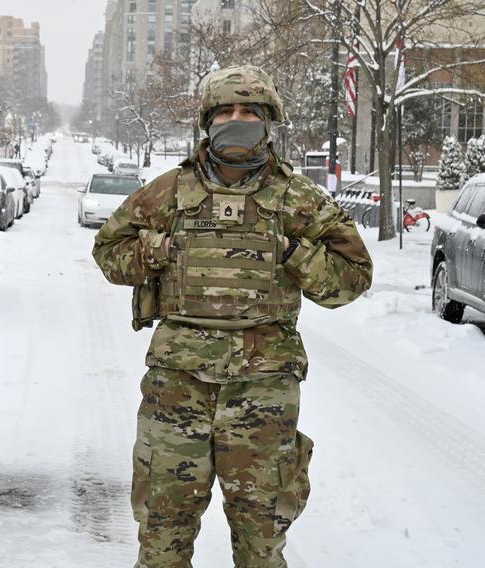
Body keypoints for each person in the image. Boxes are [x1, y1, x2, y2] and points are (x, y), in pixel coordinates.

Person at [91, 65, 373, 567]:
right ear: (207, 120)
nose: (236, 119)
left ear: (268, 122)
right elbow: (109, 253)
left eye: (249, 112)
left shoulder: (299, 200)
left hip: (263, 387)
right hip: (178, 382)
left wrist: (292, 252)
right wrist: (161, 250)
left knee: (262, 538)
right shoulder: (168, 193)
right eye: (226, 111)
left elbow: (352, 279)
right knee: (162, 536)